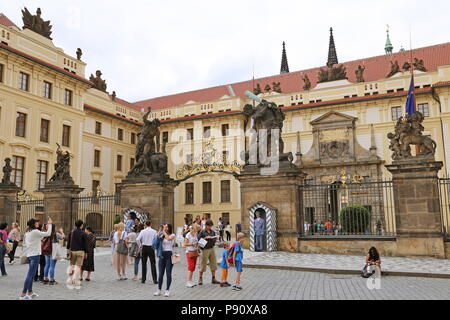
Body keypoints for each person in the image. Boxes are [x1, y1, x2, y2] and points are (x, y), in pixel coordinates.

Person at [19, 217, 52, 300]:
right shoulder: (35, 232)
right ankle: (23, 294)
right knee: (30, 275)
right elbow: (48, 233)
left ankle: (30, 292)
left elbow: (39, 238)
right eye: (36, 222)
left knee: (32, 274)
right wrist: (50, 224)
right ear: (33, 224)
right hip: (35, 256)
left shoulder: (28, 232)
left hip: (30, 255)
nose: (38, 223)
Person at [154, 223, 175, 297]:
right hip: (162, 255)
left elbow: (168, 238)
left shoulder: (172, 235)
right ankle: (159, 289)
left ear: (169, 228)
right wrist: (159, 232)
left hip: (169, 255)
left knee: (168, 273)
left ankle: (167, 290)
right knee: (160, 274)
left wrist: (164, 232)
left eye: (166, 227)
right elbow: (155, 243)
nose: (165, 228)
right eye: (164, 227)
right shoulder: (162, 235)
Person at [66, 220, 88, 289]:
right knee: (78, 266)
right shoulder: (83, 233)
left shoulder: (72, 232)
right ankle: (75, 280)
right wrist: (86, 252)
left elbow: (68, 242)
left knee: (71, 265)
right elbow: (85, 244)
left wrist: (67, 250)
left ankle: (69, 279)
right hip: (80, 251)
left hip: (72, 251)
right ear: (81, 225)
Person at [197, 219, 220, 285]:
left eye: (211, 226)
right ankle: (200, 278)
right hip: (205, 249)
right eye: (209, 226)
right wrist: (205, 238)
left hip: (212, 248)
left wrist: (215, 238)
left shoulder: (212, 232)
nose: (210, 227)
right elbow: (198, 241)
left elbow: (214, 239)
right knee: (203, 264)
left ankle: (213, 278)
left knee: (213, 263)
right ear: (206, 225)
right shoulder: (202, 232)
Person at [136, 220, 157, 284]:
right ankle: (154, 279)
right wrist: (154, 246)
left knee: (143, 263)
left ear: (145, 224)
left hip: (144, 247)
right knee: (153, 264)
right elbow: (156, 240)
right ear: (150, 224)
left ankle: (143, 279)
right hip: (151, 247)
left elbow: (137, 239)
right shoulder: (154, 231)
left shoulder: (142, 231)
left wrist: (140, 246)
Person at [184, 224, 200, 288]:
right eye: (197, 229)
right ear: (194, 229)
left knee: (193, 267)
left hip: (194, 251)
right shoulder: (188, 235)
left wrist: (198, 244)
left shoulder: (195, 234)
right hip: (189, 252)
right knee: (190, 267)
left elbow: (196, 242)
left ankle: (190, 281)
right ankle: (188, 282)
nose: (198, 231)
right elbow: (185, 244)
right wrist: (192, 244)